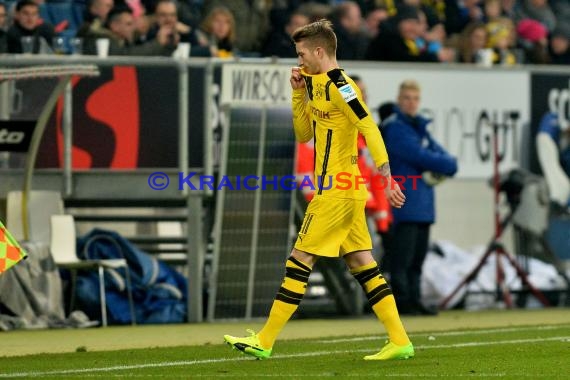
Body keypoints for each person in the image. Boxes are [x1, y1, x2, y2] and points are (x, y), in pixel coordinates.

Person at [224, 19, 414, 361]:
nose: (298, 60)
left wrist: (387, 176)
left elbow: (369, 127)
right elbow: (302, 134)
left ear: (319, 51)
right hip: (345, 190)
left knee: (300, 259)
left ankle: (265, 340)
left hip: (337, 190)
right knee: (362, 264)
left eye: (301, 54)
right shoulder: (315, 84)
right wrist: (298, 93)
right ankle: (400, 340)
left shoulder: (342, 86)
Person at [381, 79, 457, 316]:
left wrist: (448, 163)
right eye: (406, 98)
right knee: (401, 259)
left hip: (423, 203)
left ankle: (414, 298)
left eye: (415, 98)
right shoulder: (396, 129)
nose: (411, 103)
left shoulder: (419, 128)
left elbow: (443, 157)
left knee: (417, 258)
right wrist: (448, 163)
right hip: (403, 202)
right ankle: (402, 301)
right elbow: (425, 157)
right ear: (398, 100)